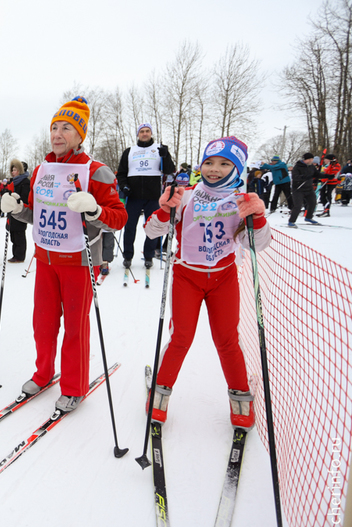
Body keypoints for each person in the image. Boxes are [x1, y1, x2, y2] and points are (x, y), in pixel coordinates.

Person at [1, 96, 127, 412]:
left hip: (79, 261)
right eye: (54, 127)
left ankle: (73, 386)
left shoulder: (96, 172)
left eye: (66, 128)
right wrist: (18, 209)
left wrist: (96, 209)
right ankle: (43, 374)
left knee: (75, 326)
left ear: (80, 135)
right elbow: (34, 213)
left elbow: (119, 216)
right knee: (43, 323)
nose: (57, 134)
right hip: (45, 259)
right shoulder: (42, 169)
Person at [144, 136, 270, 429]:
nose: (215, 169)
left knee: (227, 340)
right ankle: (160, 393)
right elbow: (151, 232)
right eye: (209, 163)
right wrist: (164, 209)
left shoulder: (242, 199)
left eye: (225, 164)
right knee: (181, 338)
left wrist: (258, 217)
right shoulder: (185, 195)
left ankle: (240, 396)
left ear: (237, 168)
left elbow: (257, 245)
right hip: (187, 275)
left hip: (224, 277)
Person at [116, 122, 175, 270]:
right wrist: (124, 186)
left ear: (151, 133)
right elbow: (121, 173)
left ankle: (149, 256)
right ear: (138, 134)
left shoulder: (158, 149)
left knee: (153, 227)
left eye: (147, 131)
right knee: (130, 227)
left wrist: (166, 155)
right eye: (142, 131)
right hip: (133, 196)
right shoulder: (130, 151)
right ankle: (127, 256)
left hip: (153, 196)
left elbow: (169, 170)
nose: (145, 134)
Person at [5, 159, 30, 263]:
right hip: (11, 212)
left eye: (15, 170)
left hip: (20, 211)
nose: (13, 172)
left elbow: (25, 197)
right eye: (12, 170)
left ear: (20, 170)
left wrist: (16, 199)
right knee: (13, 234)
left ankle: (20, 255)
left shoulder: (25, 182)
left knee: (19, 233)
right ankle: (15, 254)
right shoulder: (12, 181)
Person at [288, 152, 321, 227]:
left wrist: (328, 176)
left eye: (312, 159)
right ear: (305, 160)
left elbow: (317, 174)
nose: (311, 161)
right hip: (298, 189)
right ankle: (291, 221)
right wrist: (304, 177)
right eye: (309, 159)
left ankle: (308, 217)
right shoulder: (297, 167)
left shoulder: (311, 166)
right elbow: (295, 177)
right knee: (298, 205)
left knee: (313, 203)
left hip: (309, 188)